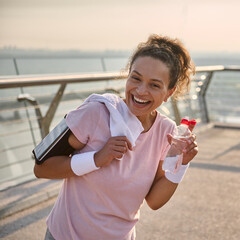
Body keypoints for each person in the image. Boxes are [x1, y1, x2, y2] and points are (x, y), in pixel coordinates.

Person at [34, 34, 198, 240]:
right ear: (127, 76)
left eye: (154, 85)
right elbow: (41, 168)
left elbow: (154, 201)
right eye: (136, 78)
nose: (140, 91)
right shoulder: (94, 113)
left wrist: (181, 164)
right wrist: (96, 159)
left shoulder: (166, 132)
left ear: (169, 92)